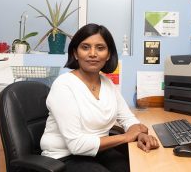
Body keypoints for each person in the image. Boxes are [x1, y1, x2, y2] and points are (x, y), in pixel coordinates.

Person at [40, 23, 159, 172]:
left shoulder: (107, 84)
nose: (93, 53)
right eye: (85, 47)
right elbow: (77, 145)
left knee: (136, 166)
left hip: (99, 151)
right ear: (76, 53)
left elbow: (128, 119)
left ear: (108, 54)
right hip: (64, 157)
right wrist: (127, 137)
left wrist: (140, 134)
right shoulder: (63, 85)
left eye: (100, 48)